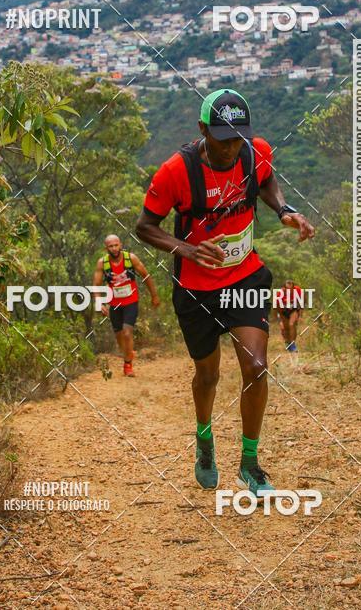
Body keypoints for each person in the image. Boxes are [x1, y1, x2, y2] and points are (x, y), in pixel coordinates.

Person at [135, 88, 315, 494]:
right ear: (202, 130)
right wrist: (187, 249)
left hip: (244, 277)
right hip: (195, 288)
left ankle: (250, 466)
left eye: (238, 138)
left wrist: (284, 211)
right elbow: (144, 226)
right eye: (222, 139)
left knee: (256, 366)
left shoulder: (254, 153)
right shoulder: (175, 172)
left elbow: (266, 182)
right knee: (208, 375)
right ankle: (204, 439)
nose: (232, 148)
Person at [93, 234, 160, 377]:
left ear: (120, 245)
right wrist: (99, 303)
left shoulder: (131, 259)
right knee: (119, 336)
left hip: (131, 301)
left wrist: (154, 296)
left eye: (116, 245)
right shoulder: (102, 263)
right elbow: (96, 285)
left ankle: (128, 364)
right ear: (106, 248)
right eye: (110, 246)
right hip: (115, 304)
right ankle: (129, 353)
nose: (114, 248)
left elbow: (146, 276)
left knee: (127, 332)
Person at [276, 280, 304, 352]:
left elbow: (301, 303)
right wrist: (279, 318)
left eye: (290, 289)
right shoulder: (280, 293)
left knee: (291, 325)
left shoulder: (297, 290)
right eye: (287, 289)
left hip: (293, 310)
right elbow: (277, 307)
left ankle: (293, 344)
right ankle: (287, 342)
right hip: (282, 311)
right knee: (283, 328)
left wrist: (300, 316)